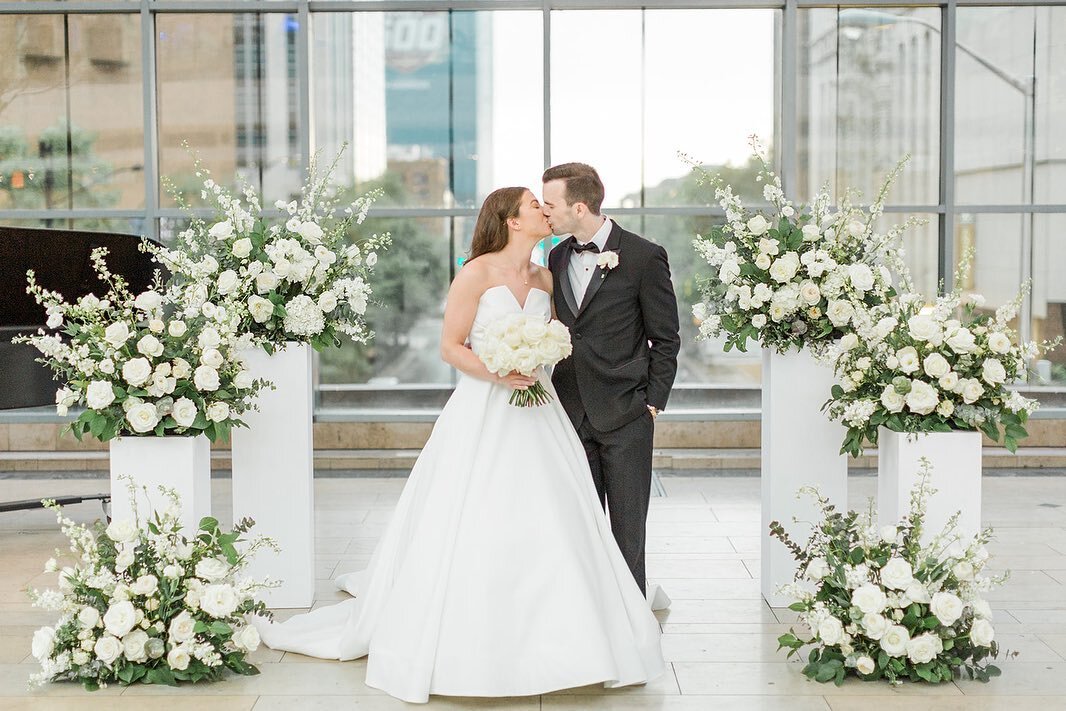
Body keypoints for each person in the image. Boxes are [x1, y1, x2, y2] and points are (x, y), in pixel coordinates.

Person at [253, 187, 665, 704]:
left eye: (545, 202)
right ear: (511, 221)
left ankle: (569, 635)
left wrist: (540, 360)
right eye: (534, 205)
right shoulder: (476, 273)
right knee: (474, 511)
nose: (544, 209)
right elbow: (452, 347)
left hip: (541, 411)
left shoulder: (546, 274)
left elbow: (561, 337)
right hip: (485, 409)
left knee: (556, 512)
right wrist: (499, 371)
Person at [542, 163, 681, 598]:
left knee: (626, 532)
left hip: (626, 415)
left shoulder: (643, 255)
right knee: (577, 530)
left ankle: (632, 623)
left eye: (550, 204)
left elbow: (667, 338)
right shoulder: (557, 255)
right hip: (571, 414)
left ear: (579, 207)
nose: (545, 212)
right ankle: (587, 621)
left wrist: (652, 403)